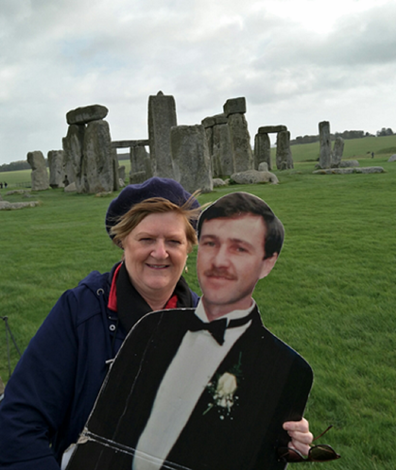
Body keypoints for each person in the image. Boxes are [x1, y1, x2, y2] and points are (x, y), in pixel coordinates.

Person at [0, 180, 311, 470]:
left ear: (190, 248)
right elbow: (17, 422)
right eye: (146, 239)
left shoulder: (211, 322)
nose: (160, 253)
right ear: (122, 241)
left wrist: (278, 437)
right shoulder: (81, 311)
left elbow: (223, 424)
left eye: (173, 241)